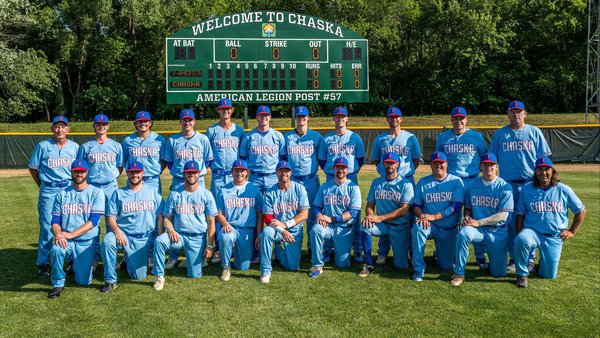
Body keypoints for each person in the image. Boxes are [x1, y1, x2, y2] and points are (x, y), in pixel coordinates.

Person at [489, 100, 551, 271]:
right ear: (508, 114)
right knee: (508, 222)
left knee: (529, 221)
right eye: (512, 111)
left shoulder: (534, 132)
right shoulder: (500, 134)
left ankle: (529, 259)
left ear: (525, 113)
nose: (516, 114)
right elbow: (492, 161)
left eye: (519, 111)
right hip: (507, 185)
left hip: (531, 184)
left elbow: (544, 161)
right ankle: (513, 258)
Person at [513, 156, 586, 288]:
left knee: (548, 275)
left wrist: (572, 231)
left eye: (547, 169)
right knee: (522, 239)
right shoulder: (527, 189)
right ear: (535, 172)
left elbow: (581, 211)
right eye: (540, 169)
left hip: (554, 235)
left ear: (552, 171)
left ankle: (543, 264)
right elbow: (520, 215)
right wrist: (519, 234)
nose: (543, 173)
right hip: (532, 231)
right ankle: (522, 274)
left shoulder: (563, 189)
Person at [152, 160, 217, 290]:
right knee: (159, 241)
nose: (191, 175)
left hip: (197, 238)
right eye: (188, 173)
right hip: (178, 235)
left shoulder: (206, 194)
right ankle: (159, 276)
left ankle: (189, 259)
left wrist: (210, 245)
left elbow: (211, 222)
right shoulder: (175, 194)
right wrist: (170, 230)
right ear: (184, 174)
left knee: (195, 275)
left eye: (194, 172)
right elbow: (166, 218)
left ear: (199, 174)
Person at [100, 161, 164, 293]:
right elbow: (110, 217)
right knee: (107, 241)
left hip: (143, 238)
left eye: (137, 172)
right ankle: (110, 280)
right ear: (127, 173)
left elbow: (160, 216)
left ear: (142, 173)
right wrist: (117, 231)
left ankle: (127, 259)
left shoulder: (153, 192)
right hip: (124, 235)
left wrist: (160, 235)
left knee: (138, 276)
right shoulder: (118, 193)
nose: (135, 175)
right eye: (131, 172)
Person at [436, 106, 488, 269]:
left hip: (473, 180)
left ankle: (480, 255)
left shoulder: (476, 136)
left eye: (462, 118)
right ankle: (448, 253)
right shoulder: (443, 137)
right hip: (451, 182)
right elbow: (439, 159)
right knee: (451, 218)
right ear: (451, 119)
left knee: (476, 216)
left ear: (466, 119)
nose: (459, 121)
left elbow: (485, 157)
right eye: (456, 118)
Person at [450, 153, 513, 286]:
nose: (488, 167)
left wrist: (478, 222)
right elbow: (468, 208)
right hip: (477, 229)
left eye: (491, 165)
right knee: (464, 233)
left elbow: (503, 215)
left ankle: (492, 261)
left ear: (496, 167)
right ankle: (459, 273)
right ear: (480, 166)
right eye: (485, 164)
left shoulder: (505, 187)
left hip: (497, 231)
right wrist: (467, 218)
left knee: (499, 273)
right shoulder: (472, 185)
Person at [29, 116, 79, 276]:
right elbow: (33, 168)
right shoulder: (43, 146)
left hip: (69, 189)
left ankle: (71, 259)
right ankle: (44, 263)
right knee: (46, 227)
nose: (60, 130)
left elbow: (80, 169)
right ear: (52, 129)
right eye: (57, 127)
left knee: (70, 225)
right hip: (49, 190)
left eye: (63, 127)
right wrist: (42, 184)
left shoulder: (75, 147)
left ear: (68, 129)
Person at [47, 160, 105, 298]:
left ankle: (91, 259)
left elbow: (93, 221)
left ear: (87, 172)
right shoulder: (62, 194)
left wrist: (71, 234)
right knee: (56, 249)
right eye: (76, 171)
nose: (79, 174)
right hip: (66, 240)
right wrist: (58, 234)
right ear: (71, 172)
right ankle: (58, 283)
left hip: (86, 241)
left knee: (83, 282)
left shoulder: (97, 193)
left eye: (82, 171)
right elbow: (55, 222)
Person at [371, 107, 421, 264]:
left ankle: (412, 252)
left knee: (410, 216)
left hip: (406, 179)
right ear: (387, 119)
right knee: (384, 213)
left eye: (396, 117)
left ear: (401, 119)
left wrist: (405, 174)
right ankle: (383, 252)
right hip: (386, 180)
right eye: (391, 117)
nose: (394, 119)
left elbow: (416, 159)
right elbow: (376, 160)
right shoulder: (380, 139)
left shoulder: (410, 138)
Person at [318, 106, 365, 262]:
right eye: (337, 116)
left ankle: (357, 248)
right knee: (329, 210)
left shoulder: (355, 137)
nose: (340, 119)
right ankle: (327, 248)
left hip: (350, 176)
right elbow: (322, 160)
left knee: (354, 214)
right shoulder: (326, 139)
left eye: (342, 116)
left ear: (346, 119)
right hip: (331, 177)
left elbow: (360, 159)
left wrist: (351, 172)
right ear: (334, 119)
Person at [77, 113, 124, 268]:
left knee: (112, 222)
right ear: (94, 126)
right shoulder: (85, 147)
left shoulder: (116, 146)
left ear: (108, 126)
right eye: (98, 124)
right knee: (92, 222)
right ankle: (94, 257)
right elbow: (81, 168)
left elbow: (119, 166)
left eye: (104, 124)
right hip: (92, 187)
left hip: (110, 185)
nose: (101, 126)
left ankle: (113, 256)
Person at [411, 151, 464, 281]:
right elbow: (415, 205)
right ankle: (418, 268)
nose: (438, 165)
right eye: (435, 163)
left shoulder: (456, 181)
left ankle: (440, 252)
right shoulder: (423, 182)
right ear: (431, 165)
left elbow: (456, 206)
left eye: (441, 163)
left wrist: (434, 216)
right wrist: (422, 216)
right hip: (429, 225)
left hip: (448, 228)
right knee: (418, 229)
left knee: (445, 266)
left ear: (446, 164)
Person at [359, 152, 413, 277]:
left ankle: (407, 255)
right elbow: (370, 205)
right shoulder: (377, 182)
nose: (390, 165)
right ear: (383, 163)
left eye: (392, 162)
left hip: (399, 226)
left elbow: (404, 210)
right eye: (387, 162)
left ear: (397, 164)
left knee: (401, 265)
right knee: (365, 225)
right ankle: (368, 264)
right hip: (382, 225)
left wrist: (380, 217)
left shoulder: (406, 184)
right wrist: (369, 216)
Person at [207, 97, 245, 265]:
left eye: (228, 109)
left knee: (236, 209)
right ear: (218, 111)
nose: (225, 111)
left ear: (232, 110)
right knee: (216, 212)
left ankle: (237, 245)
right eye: (222, 109)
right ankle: (216, 247)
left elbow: (243, 155)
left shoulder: (239, 130)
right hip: (218, 175)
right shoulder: (211, 131)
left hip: (234, 175)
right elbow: (206, 154)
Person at [308, 158, 361, 278]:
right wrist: (319, 215)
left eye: (343, 167)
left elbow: (353, 213)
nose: (340, 170)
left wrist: (331, 219)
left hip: (344, 229)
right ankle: (317, 265)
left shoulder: (353, 188)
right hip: (328, 227)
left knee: (342, 264)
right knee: (316, 229)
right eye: (338, 167)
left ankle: (331, 250)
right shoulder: (326, 186)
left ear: (347, 170)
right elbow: (316, 206)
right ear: (334, 169)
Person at [259, 160, 309, 283]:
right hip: (276, 229)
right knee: (266, 233)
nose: (284, 173)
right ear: (276, 173)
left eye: (286, 171)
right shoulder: (270, 192)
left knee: (292, 267)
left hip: (294, 230)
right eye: (281, 170)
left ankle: (277, 251)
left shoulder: (299, 189)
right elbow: (267, 217)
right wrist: (282, 230)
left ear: (291, 173)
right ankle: (265, 271)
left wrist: (287, 225)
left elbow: (304, 214)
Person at [215, 159, 263, 281]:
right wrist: (224, 223)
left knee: (242, 267)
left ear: (247, 172)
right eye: (236, 170)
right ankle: (226, 267)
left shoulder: (254, 189)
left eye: (242, 170)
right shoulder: (224, 190)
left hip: (247, 230)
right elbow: (218, 213)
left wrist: (258, 234)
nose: (239, 173)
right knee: (225, 236)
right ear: (232, 172)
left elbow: (259, 214)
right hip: (230, 227)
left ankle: (236, 254)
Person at [283, 105, 322, 254]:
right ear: (296, 119)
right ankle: (293, 246)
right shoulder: (287, 137)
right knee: (292, 213)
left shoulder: (316, 137)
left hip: (310, 179)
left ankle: (312, 247)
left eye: (304, 116)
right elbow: (283, 158)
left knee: (311, 214)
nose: (301, 119)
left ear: (308, 118)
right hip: (293, 181)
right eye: (299, 117)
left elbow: (322, 158)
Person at [239, 105, 285, 195]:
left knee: (274, 205)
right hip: (254, 177)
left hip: (273, 177)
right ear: (257, 117)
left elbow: (283, 158)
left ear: (270, 117)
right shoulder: (248, 136)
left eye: (266, 115)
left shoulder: (278, 136)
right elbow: (243, 158)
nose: (264, 117)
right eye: (261, 115)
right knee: (253, 205)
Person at [165, 109, 213, 192]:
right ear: (180, 121)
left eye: (190, 120)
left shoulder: (203, 139)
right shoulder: (172, 140)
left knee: (199, 204)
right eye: (184, 120)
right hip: (179, 180)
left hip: (198, 180)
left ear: (194, 121)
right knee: (178, 204)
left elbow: (207, 160)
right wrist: (178, 172)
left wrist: (198, 173)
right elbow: (169, 162)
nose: (187, 123)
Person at [122, 111, 166, 194]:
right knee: (133, 205)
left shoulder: (159, 140)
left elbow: (163, 161)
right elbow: (124, 160)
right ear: (135, 123)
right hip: (133, 179)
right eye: (140, 121)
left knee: (154, 205)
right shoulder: (128, 141)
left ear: (150, 123)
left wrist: (155, 171)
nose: (143, 124)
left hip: (153, 180)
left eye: (145, 121)